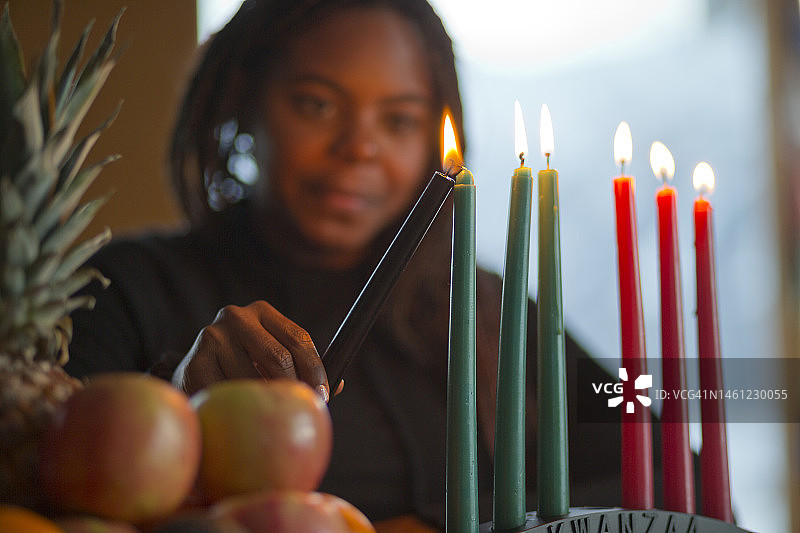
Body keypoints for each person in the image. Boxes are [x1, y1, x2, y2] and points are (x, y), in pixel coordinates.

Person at [67, 0, 633, 528]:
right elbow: (50, 479)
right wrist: (173, 398)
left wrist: (433, 525)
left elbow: (653, 454)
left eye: (399, 120)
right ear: (244, 100)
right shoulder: (118, 287)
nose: (360, 147)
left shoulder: (486, 306)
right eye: (317, 105)